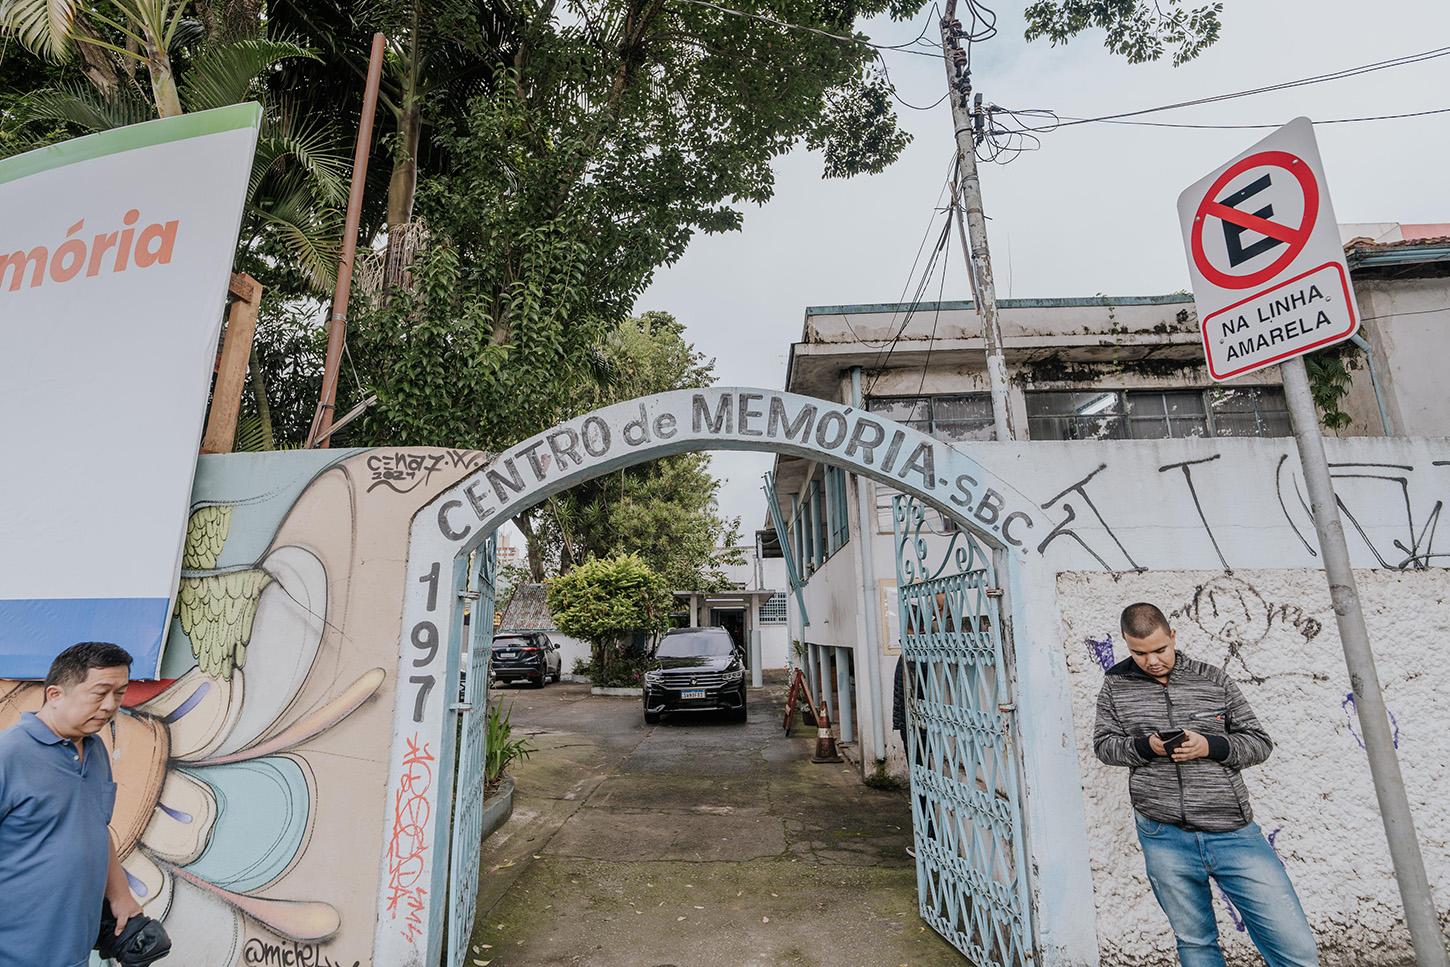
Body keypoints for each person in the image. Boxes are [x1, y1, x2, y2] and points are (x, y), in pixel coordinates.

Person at [1094, 602, 1318, 967]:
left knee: (1295, 948)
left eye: (1160, 649)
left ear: (1173, 636)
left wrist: (1209, 746)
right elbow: (1104, 746)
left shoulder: (1213, 679)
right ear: (1126, 644)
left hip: (1233, 832)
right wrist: (1147, 747)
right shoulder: (1115, 687)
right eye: (1139, 653)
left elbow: (1259, 743)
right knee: (1196, 943)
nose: (1152, 661)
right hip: (1163, 835)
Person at [0, 642, 144, 967]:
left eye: (120, 693)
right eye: (100, 693)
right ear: (55, 695)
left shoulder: (96, 751)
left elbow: (96, 826)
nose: (110, 705)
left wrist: (120, 895)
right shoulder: (9, 755)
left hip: (74, 951)